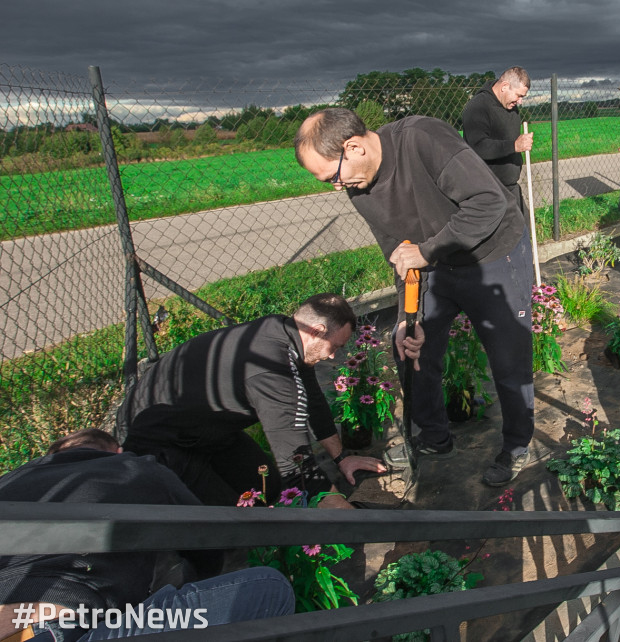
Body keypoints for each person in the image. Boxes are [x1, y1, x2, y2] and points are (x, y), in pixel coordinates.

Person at [294, 108, 534, 486]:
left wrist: (426, 252)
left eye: (332, 177)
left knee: (508, 357)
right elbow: (397, 249)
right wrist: (409, 313)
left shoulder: (423, 138)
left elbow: (488, 203)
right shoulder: (359, 185)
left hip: (492, 254)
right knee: (410, 348)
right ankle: (435, 437)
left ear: (353, 147)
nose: (335, 187)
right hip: (434, 265)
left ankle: (518, 445)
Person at [0, 428, 295, 640]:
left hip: (15, 620)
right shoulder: (132, 465)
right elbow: (206, 538)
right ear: (117, 451)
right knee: (268, 587)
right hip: (63, 627)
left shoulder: (11, 482)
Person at [121, 293, 394, 507]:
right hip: (159, 436)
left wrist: (341, 458)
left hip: (210, 426)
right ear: (318, 330)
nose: (334, 356)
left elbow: (314, 402)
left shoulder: (283, 331)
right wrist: (346, 513)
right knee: (225, 527)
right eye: (334, 346)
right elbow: (296, 461)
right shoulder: (273, 372)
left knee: (269, 489)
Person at [462, 66, 533, 213]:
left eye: (523, 97)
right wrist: (514, 146)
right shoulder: (477, 107)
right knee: (509, 234)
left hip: (510, 188)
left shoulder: (510, 107)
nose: (520, 102)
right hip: (487, 192)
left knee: (523, 230)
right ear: (505, 86)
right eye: (518, 95)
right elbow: (478, 147)